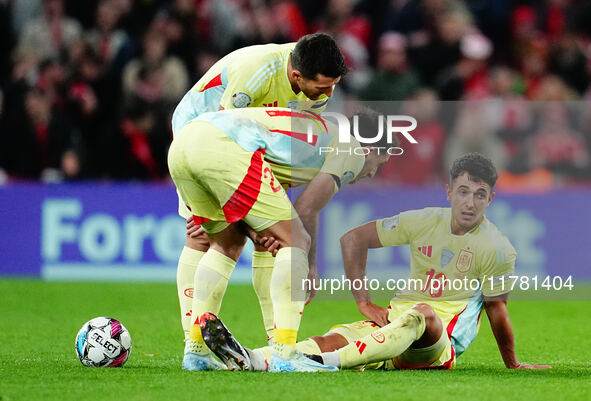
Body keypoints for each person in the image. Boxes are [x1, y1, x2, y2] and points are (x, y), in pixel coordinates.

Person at [199, 153, 551, 372]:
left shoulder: (498, 248)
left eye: (479, 194)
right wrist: (364, 301)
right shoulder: (425, 220)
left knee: (423, 313)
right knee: (328, 337)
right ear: (448, 192)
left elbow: (497, 310)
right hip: (391, 328)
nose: (470, 202)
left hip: (435, 345)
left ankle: (323, 367)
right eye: (463, 191)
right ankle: (254, 358)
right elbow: (354, 239)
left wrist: (513, 362)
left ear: (491, 198)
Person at [168, 106, 393, 371]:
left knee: (225, 245)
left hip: (186, 142)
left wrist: (262, 232)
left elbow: (282, 206)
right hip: (224, 149)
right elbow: (306, 209)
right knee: (297, 241)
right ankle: (285, 355)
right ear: (369, 150)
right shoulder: (352, 149)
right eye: (380, 163)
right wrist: (309, 265)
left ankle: (197, 352)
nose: (372, 174)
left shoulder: (310, 139)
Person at [171, 33, 348, 349]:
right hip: (199, 132)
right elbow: (223, 131)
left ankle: (267, 339)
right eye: (324, 87)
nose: (329, 94)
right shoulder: (257, 69)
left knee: (273, 238)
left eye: (333, 85)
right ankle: (195, 340)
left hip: (252, 144)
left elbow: (291, 147)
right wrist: (248, 222)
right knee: (204, 235)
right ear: (296, 76)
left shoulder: (317, 91)